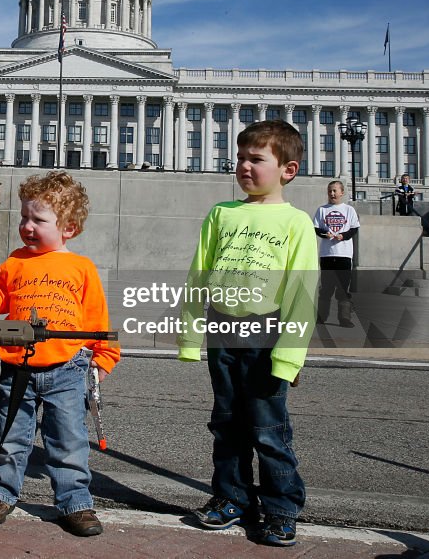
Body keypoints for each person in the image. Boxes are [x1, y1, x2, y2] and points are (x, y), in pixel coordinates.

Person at [0, 171, 121, 538]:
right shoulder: (15, 263)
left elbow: (97, 318)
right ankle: (0, 493)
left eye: (38, 220)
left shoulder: (81, 268)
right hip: (18, 368)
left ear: (69, 228)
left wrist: (103, 356)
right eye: (24, 217)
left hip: (68, 368)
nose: (27, 226)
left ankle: (75, 501)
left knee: (68, 440)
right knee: (11, 435)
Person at [178, 120, 317, 549]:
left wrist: (290, 357)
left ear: (287, 170)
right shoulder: (222, 213)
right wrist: (189, 335)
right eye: (240, 158)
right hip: (223, 329)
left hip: (268, 334)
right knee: (226, 423)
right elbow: (198, 275)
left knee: (268, 429)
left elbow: (301, 293)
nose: (244, 166)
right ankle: (231, 497)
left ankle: (281, 509)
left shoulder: (295, 222)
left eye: (256, 159)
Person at [312, 180, 360, 328]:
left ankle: (344, 318)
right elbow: (316, 228)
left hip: (344, 255)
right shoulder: (322, 210)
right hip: (327, 254)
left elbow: (354, 229)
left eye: (335, 191)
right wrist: (324, 234)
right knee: (326, 287)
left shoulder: (348, 210)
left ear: (342, 192)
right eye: (330, 191)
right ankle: (321, 316)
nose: (332, 194)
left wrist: (343, 236)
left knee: (343, 287)